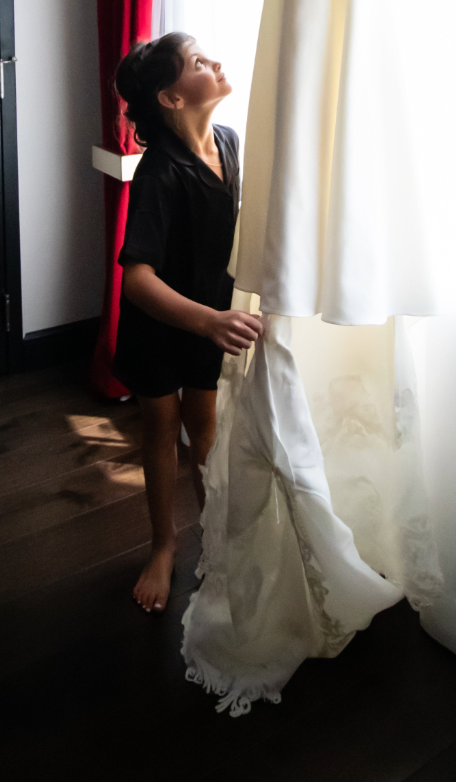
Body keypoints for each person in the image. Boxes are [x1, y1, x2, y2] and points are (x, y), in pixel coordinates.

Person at [112, 33, 263, 613]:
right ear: (171, 98)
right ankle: (163, 544)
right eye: (200, 62)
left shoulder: (228, 141)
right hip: (166, 322)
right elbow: (138, 281)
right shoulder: (158, 173)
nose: (216, 62)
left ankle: (214, 533)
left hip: (210, 317)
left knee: (205, 424)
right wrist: (207, 321)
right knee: (161, 429)